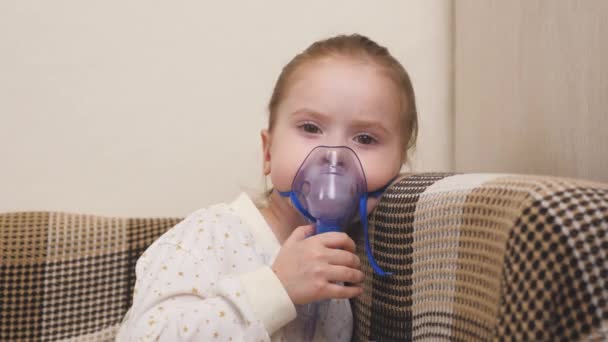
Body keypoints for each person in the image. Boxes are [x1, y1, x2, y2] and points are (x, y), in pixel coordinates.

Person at [116, 33, 418, 341]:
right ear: (269, 152)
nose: (334, 155)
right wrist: (276, 289)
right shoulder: (210, 236)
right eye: (310, 128)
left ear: (398, 166)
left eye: (365, 138)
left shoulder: (341, 275)